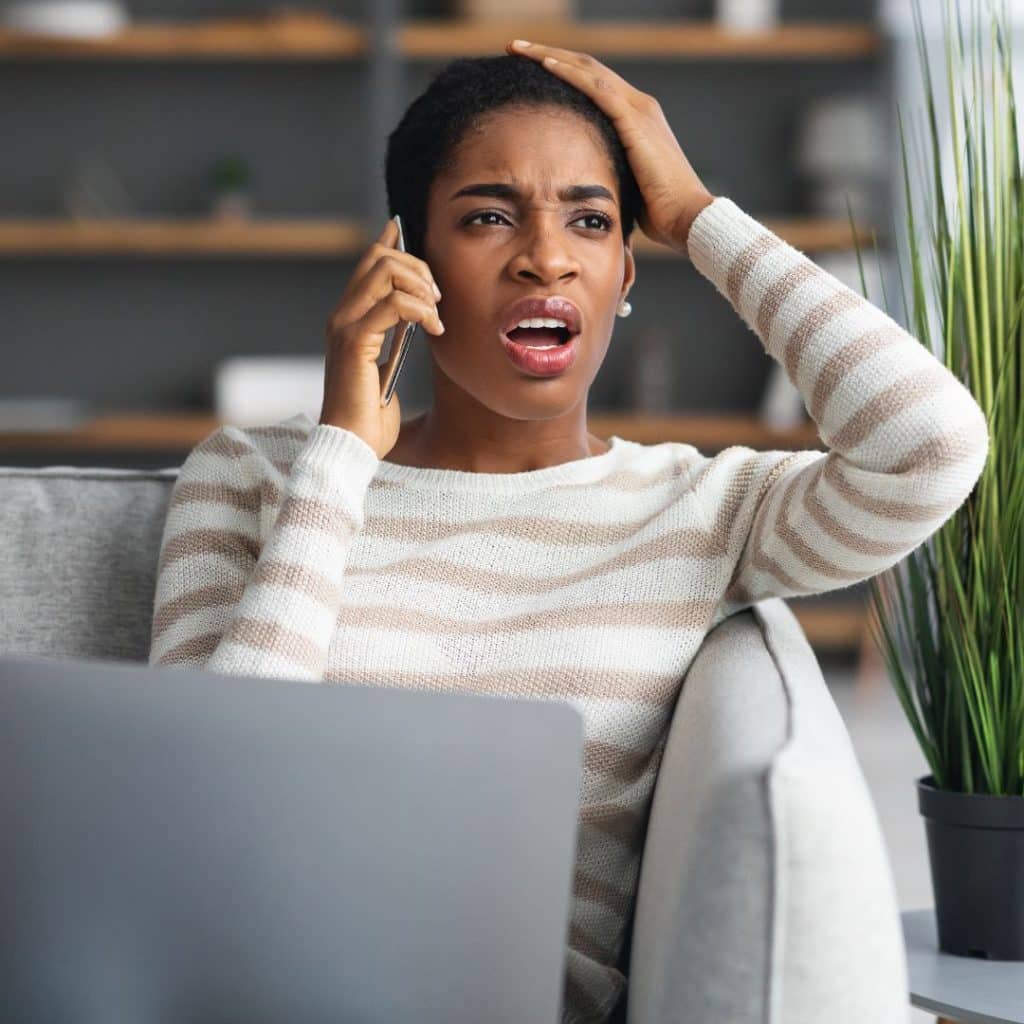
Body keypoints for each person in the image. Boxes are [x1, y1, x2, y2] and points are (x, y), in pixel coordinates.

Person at [149, 41, 990, 1024]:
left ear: (624, 274)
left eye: (589, 221)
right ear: (404, 263)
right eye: (487, 217)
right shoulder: (250, 474)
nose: (545, 256)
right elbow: (194, 816)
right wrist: (339, 456)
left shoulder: (699, 509)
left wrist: (695, 217)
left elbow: (929, 445)